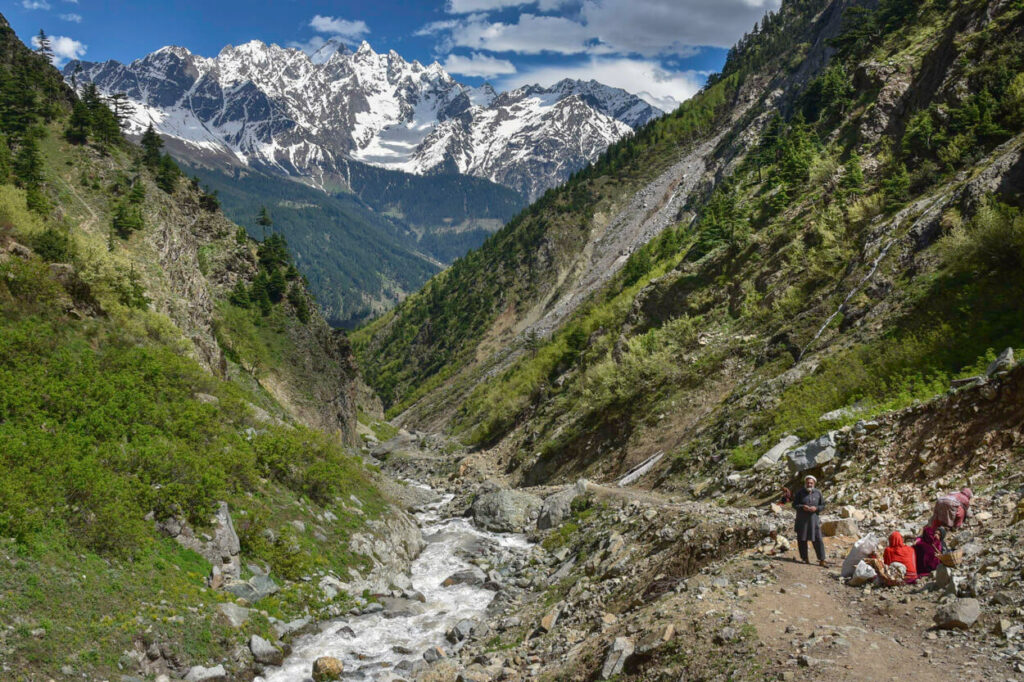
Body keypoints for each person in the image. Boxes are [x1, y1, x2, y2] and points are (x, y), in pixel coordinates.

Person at [792, 475, 827, 566]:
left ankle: (822, 560)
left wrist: (816, 508)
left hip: (814, 521)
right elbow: (794, 505)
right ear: (805, 483)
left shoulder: (818, 493)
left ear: (814, 483)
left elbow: (823, 505)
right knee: (802, 540)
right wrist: (802, 507)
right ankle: (804, 558)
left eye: (811, 483)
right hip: (802, 521)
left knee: (818, 539)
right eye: (808, 483)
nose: (809, 484)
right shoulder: (800, 493)